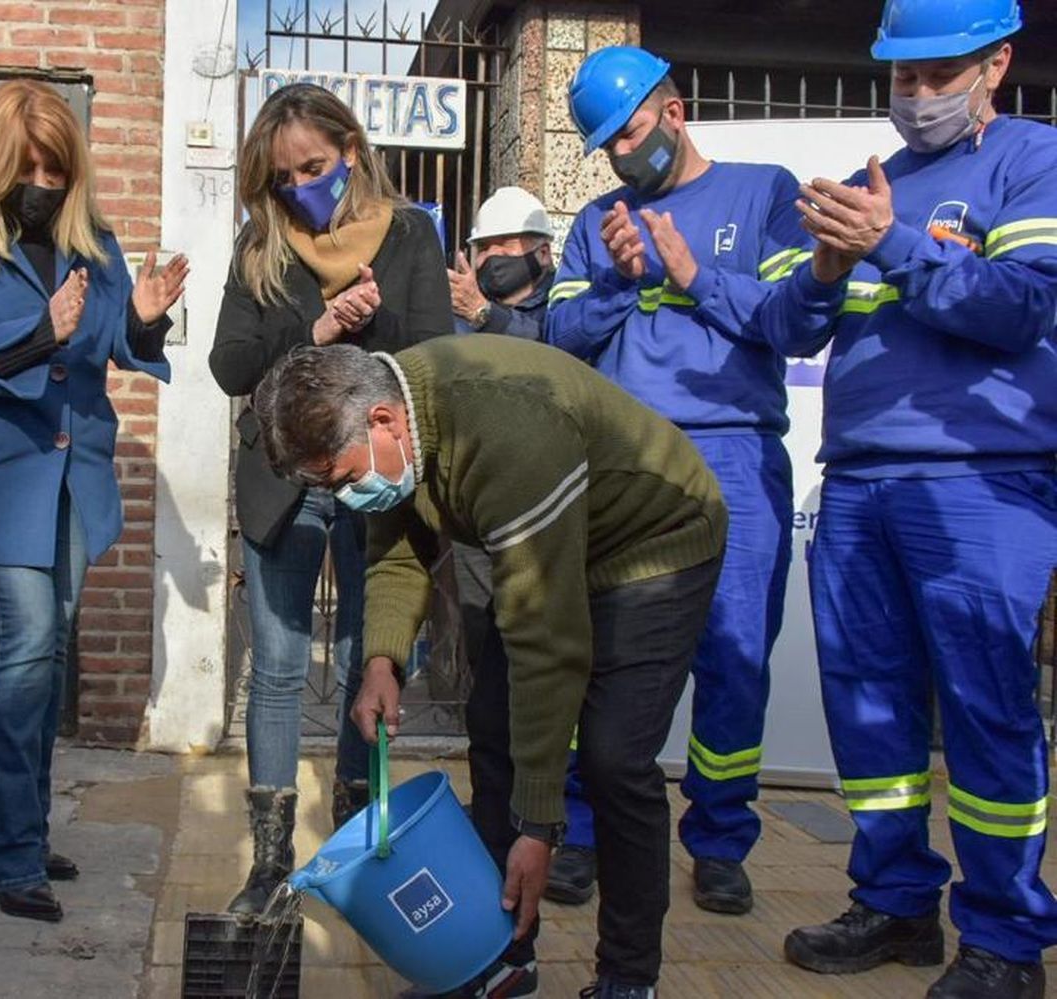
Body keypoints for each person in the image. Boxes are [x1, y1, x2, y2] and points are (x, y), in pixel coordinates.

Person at [252, 335, 728, 999]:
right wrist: (382, 661)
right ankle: (502, 957)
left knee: (614, 756)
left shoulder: (508, 430)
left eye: (343, 480)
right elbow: (397, 551)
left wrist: (539, 826)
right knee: (492, 725)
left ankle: (628, 975)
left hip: (654, 544)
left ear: (383, 420)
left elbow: (547, 641)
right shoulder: (398, 429)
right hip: (551, 541)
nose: (347, 497)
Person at [763, 3, 1057, 997]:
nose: (919, 95)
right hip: (858, 483)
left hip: (983, 478)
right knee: (872, 710)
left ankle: (1007, 943)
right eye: (903, 77)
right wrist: (826, 269)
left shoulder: (1031, 162)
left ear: (998, 65)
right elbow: (795, 332)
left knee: (985, 711)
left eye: (942, 74)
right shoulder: (864, 189)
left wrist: (891, 245)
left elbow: (1019, 309)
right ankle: (894, 904)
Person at [541, 45, 820, 921]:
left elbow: (793, 319)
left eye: (630, 134)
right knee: (604, 655)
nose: (624, 157)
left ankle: (720, 838)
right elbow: (558, 338)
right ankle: (583, 830)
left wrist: (692, 277)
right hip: (625, 466)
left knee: (734, 657)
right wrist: (622, 284)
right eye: (608, 147)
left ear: (675, 110)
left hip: (735, 455)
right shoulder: (599, 219)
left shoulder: (764, 190)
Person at [0, 78, 186, 924]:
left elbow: (108, 344)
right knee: (27, 643)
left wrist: (140, 319)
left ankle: (25, 831)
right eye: (27, 165)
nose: (42, 181)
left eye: (56, 167)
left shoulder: (93, 243)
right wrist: (40, 334)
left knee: (48, 653)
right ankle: (10, 855)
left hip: (75, 477)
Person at [208, 82, 452, 915]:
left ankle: (354, 834)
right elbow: (229, 366)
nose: (302, 185)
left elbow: (432, 359)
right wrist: (312, 330)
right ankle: (270, 863)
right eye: (285, 176)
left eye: (314, 166)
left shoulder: (410, 233)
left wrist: (369, 332)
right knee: (277, 670)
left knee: (364, 656)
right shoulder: (261, 245)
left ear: (351, 149)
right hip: (282, 478)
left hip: (372, 476)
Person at [449, 186, 556, 337]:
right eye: (483, 247)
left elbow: (552, 347)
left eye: (507, 243)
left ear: (543, 253)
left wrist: (483, 313)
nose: (492, 254)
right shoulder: (462, 308)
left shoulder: (563, 306)